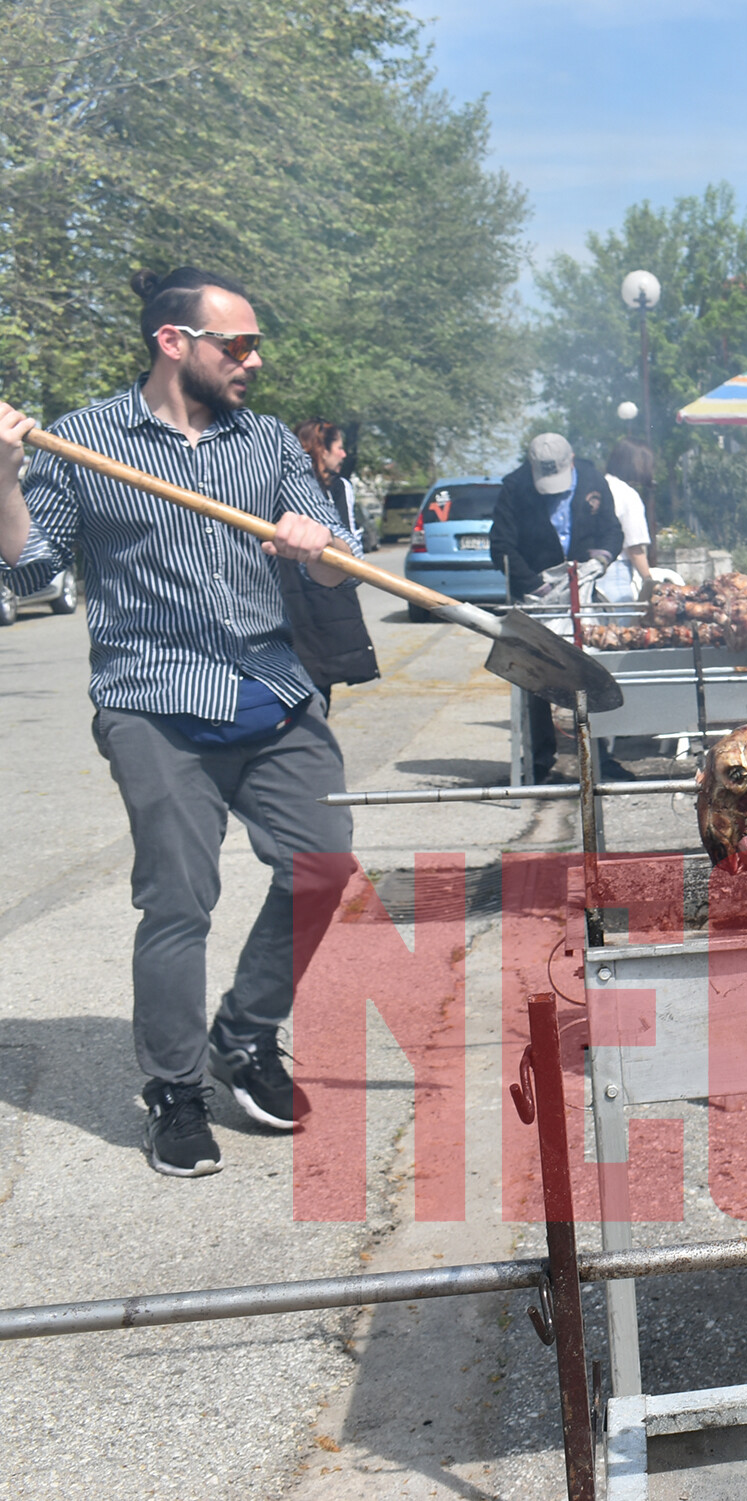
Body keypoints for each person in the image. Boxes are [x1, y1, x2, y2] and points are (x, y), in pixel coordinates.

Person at [0, 266, 358, 1177]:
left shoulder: (267, 439)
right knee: (178, 901)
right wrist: (4, 477)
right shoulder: (81, 441)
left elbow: (331, 565)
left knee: (325, 865)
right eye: (236, 344)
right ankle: (172, 1088)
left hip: (270, 690)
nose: (253, 360)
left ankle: (241, 1038)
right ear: (174, 342)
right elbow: (29, 574)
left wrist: (322, 548)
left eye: (255, 345)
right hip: (152, 700)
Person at [489, 432, 623, 782]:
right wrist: (533, 584)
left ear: (572, 461)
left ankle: (600, 757)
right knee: (535, 677)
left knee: (592, 670)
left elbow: (612, 529)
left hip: (582, 588)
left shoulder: (594, 480)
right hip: (537, 592)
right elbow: (500, 546)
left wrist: (603, 558)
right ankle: (538, 760)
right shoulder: (515, 488)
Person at [277, 418, 381, 712]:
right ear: (320, 449)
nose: (344, 454)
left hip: (316, 590)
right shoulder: (295, 483)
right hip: (302, 594)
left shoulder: (336, 487)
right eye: (338, 447)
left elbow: (346, 546)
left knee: (315, 682)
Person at [598, 438, 656, 602]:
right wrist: (648, 580)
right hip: (616, 573)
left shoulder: (598, 486)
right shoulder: (627, 495)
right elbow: (634, 547)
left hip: (590, 571)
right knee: (621, 625)